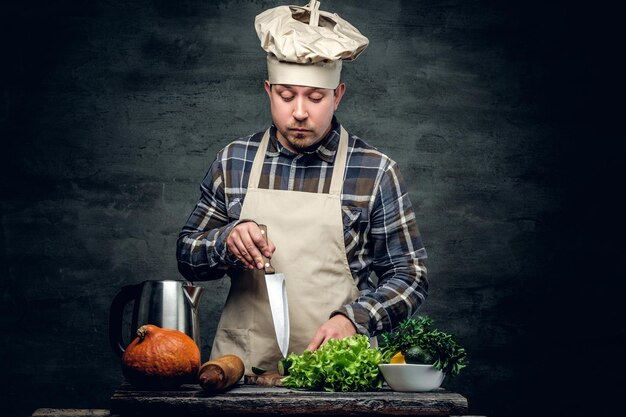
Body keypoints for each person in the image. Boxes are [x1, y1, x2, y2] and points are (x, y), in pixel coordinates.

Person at [176, 0, 428, 373]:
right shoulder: (233, 162)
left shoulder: (375, 171)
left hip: (338, 373)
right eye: (286, 95)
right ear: (268, 90)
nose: (298, 112)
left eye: (314, 97)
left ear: (337, 95)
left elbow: (410, 276)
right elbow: (188, 258)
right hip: (239, 370)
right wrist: (226, 240)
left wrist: (356, 318)